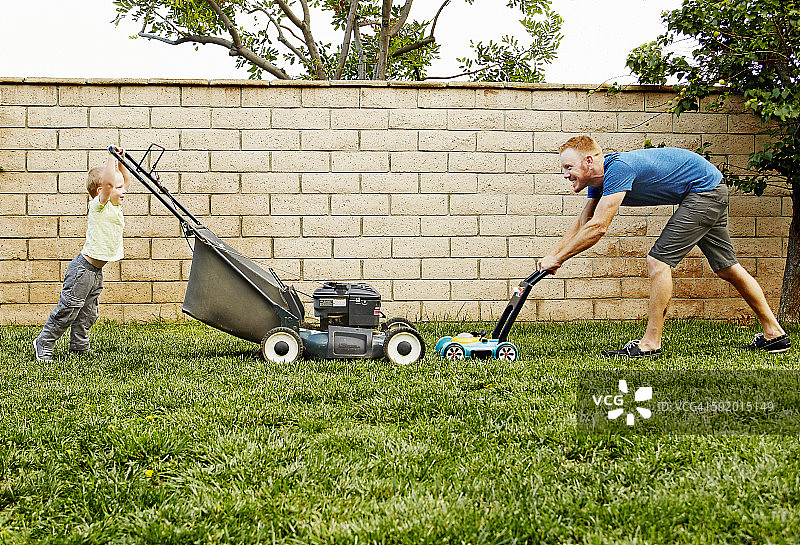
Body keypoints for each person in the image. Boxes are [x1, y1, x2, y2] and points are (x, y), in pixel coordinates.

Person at [537, 135, 790, 358]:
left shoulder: (618, 170)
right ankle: (774, 333)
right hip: (709, 188)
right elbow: (584, 222)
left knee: (658, 262)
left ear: (589, 161)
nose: (565, 174)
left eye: (569, 167)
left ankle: (650, 343)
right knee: (727, 267)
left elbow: (599, 227)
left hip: (704, 191)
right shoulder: (598, 182)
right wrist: (554, 255)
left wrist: (559, 259)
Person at [33, 147, 130, 362]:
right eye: (118, 187)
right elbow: (108, 183)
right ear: (100, 190)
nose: (124, 191)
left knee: (89, 313)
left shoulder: (115, 205)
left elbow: (122, 181)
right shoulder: (99, 206)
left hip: (96, 272)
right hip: (82, 270)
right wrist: (111, 159)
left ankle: (79, 347)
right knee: (68, 309)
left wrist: (122, 162)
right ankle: (44, 342)